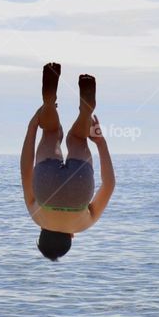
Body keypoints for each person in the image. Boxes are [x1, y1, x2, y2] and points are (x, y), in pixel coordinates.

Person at [20, 64, 115, 259]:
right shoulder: (37, 217)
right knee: (51, 133)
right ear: (42, 231)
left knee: (77, 139)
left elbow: (109, 184)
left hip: (79, 190)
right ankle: (48, 103)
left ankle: (86, 112)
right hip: (46, 187)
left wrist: (100, 142)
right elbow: (26, 172)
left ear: (71, 237)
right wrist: (32, 128)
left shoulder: (83, 225)